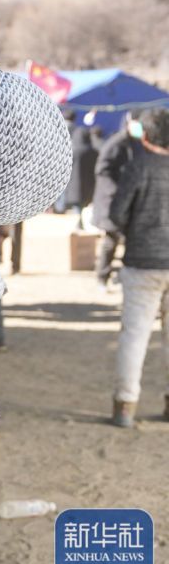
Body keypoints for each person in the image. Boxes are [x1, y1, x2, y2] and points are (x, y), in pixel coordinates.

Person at [108, 107, 169, 428]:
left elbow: (117, 214)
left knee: (135, 335)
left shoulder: (139, 166)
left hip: (142, 262)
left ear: (145, 135)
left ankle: (125, 407)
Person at [92, 112, 144, 291]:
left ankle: (120, 276)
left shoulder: (137, 143)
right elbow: (102, 169)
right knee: (111, 240)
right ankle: (102, 276)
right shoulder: (115, 143)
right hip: (111, 202)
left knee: (128, 241)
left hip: (128, 201)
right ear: (130, 122)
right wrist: (117, 191)